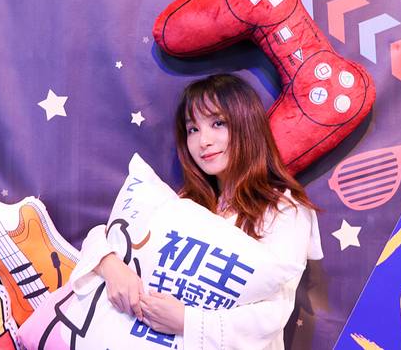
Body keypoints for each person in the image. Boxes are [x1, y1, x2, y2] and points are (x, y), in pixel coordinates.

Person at [72, 73, 323, 349]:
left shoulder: (284, 209)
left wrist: (188, 321)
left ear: (247, 125)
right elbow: (109, 233)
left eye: (218, 123)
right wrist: (110, 265)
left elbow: (273, 312)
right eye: (193, 129)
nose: (203, 140)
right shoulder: (185, 202)